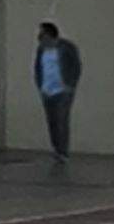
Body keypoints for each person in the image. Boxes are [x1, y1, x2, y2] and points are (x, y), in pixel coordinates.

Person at [34, 18, 83, 159]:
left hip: (63, 90)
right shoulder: (41, 50)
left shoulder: (67, 47)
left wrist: (71, 85)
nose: (40, 38)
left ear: (50, 35)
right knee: (52, 121)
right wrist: (39, 85)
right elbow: (38, 67)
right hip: (47, 90)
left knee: (62, 119)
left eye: (42, 35)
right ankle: (56, 149)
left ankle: (63, 151)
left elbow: (76, 66)